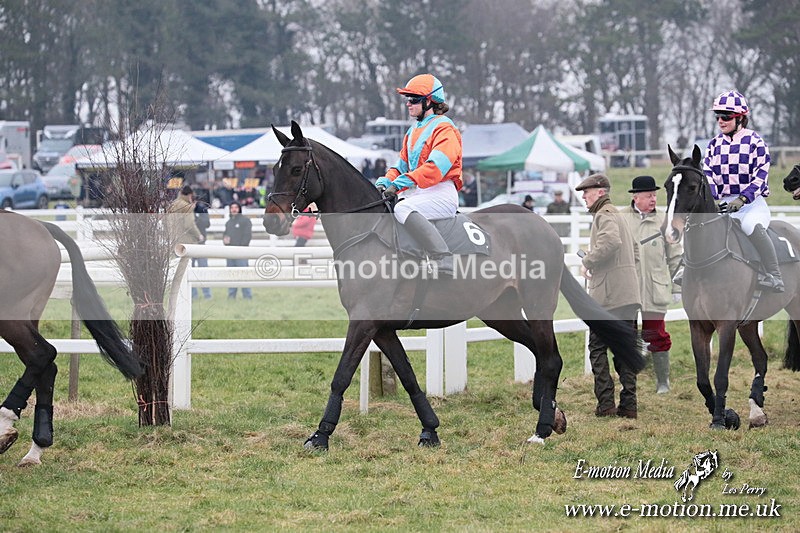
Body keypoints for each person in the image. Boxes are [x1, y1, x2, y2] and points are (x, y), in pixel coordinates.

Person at [374, 74, 462, 274]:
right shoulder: (413, 131)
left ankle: (443, 258)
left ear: (429, 101)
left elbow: (435, 168)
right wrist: (384, 182)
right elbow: (401, 166)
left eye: (413, 99)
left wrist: (398, 184)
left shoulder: (445, 128)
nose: (408, 104)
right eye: (407, 99)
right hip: (420, 193)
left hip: (441, 193)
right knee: (389, 207)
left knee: (402, 209)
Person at [705, 90, 783, 292]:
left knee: (751, 227)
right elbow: (708, 174)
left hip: (751, 205)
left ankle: (774, 275)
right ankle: (688, 270)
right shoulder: (713, 144)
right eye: (718, 117)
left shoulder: (756, 142)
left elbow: (761, 177)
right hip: (722, 205)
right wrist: (713, 198)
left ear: (740, 118)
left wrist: (742, 198)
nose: (720, 121)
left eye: (726, 117)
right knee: (700, 228)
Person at [576, 173, 641, 418]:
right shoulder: (619, 215)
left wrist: (589, 263)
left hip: (608, 296)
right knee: (625, 349)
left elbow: (611, 242)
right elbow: (634, 251)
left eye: (587, 192)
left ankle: (606, 404)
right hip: (627, 293)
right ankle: (629, 405)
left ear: (600, 192)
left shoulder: (604, 215)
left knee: (597, 348)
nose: (584, 196)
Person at [621, 176, 682, 393]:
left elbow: (675, 255)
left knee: (657, 334)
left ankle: (663, 382)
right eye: (648, 195)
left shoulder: (665, 221)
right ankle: (628, 383)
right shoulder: (620, 219)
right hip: (627, 288)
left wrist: (677, 286)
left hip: (655, 287)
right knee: (626, 336)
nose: (653, 199)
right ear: (635, 197)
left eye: (655, 195)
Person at [223, 201, 252, 299]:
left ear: (239, 209)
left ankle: (247, 296)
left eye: (236, 207)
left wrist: (241, 248)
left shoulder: (245, 221)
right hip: (230, 253)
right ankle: (231, 296)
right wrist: (225, 240)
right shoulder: (228, 223)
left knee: (244, 275)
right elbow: (225, 235)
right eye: (232, 207)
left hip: (241, 253)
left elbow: (247, 236)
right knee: (231, 275)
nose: (234, 209)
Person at [192, 193, 213, 300]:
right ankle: (193, 295)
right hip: (190, 244)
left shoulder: (202, 209)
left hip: (201, 244)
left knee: (203, 270)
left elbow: (207, 223)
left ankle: (207, 295)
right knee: (190, 270)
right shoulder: (185, 211)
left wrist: (196, 219)